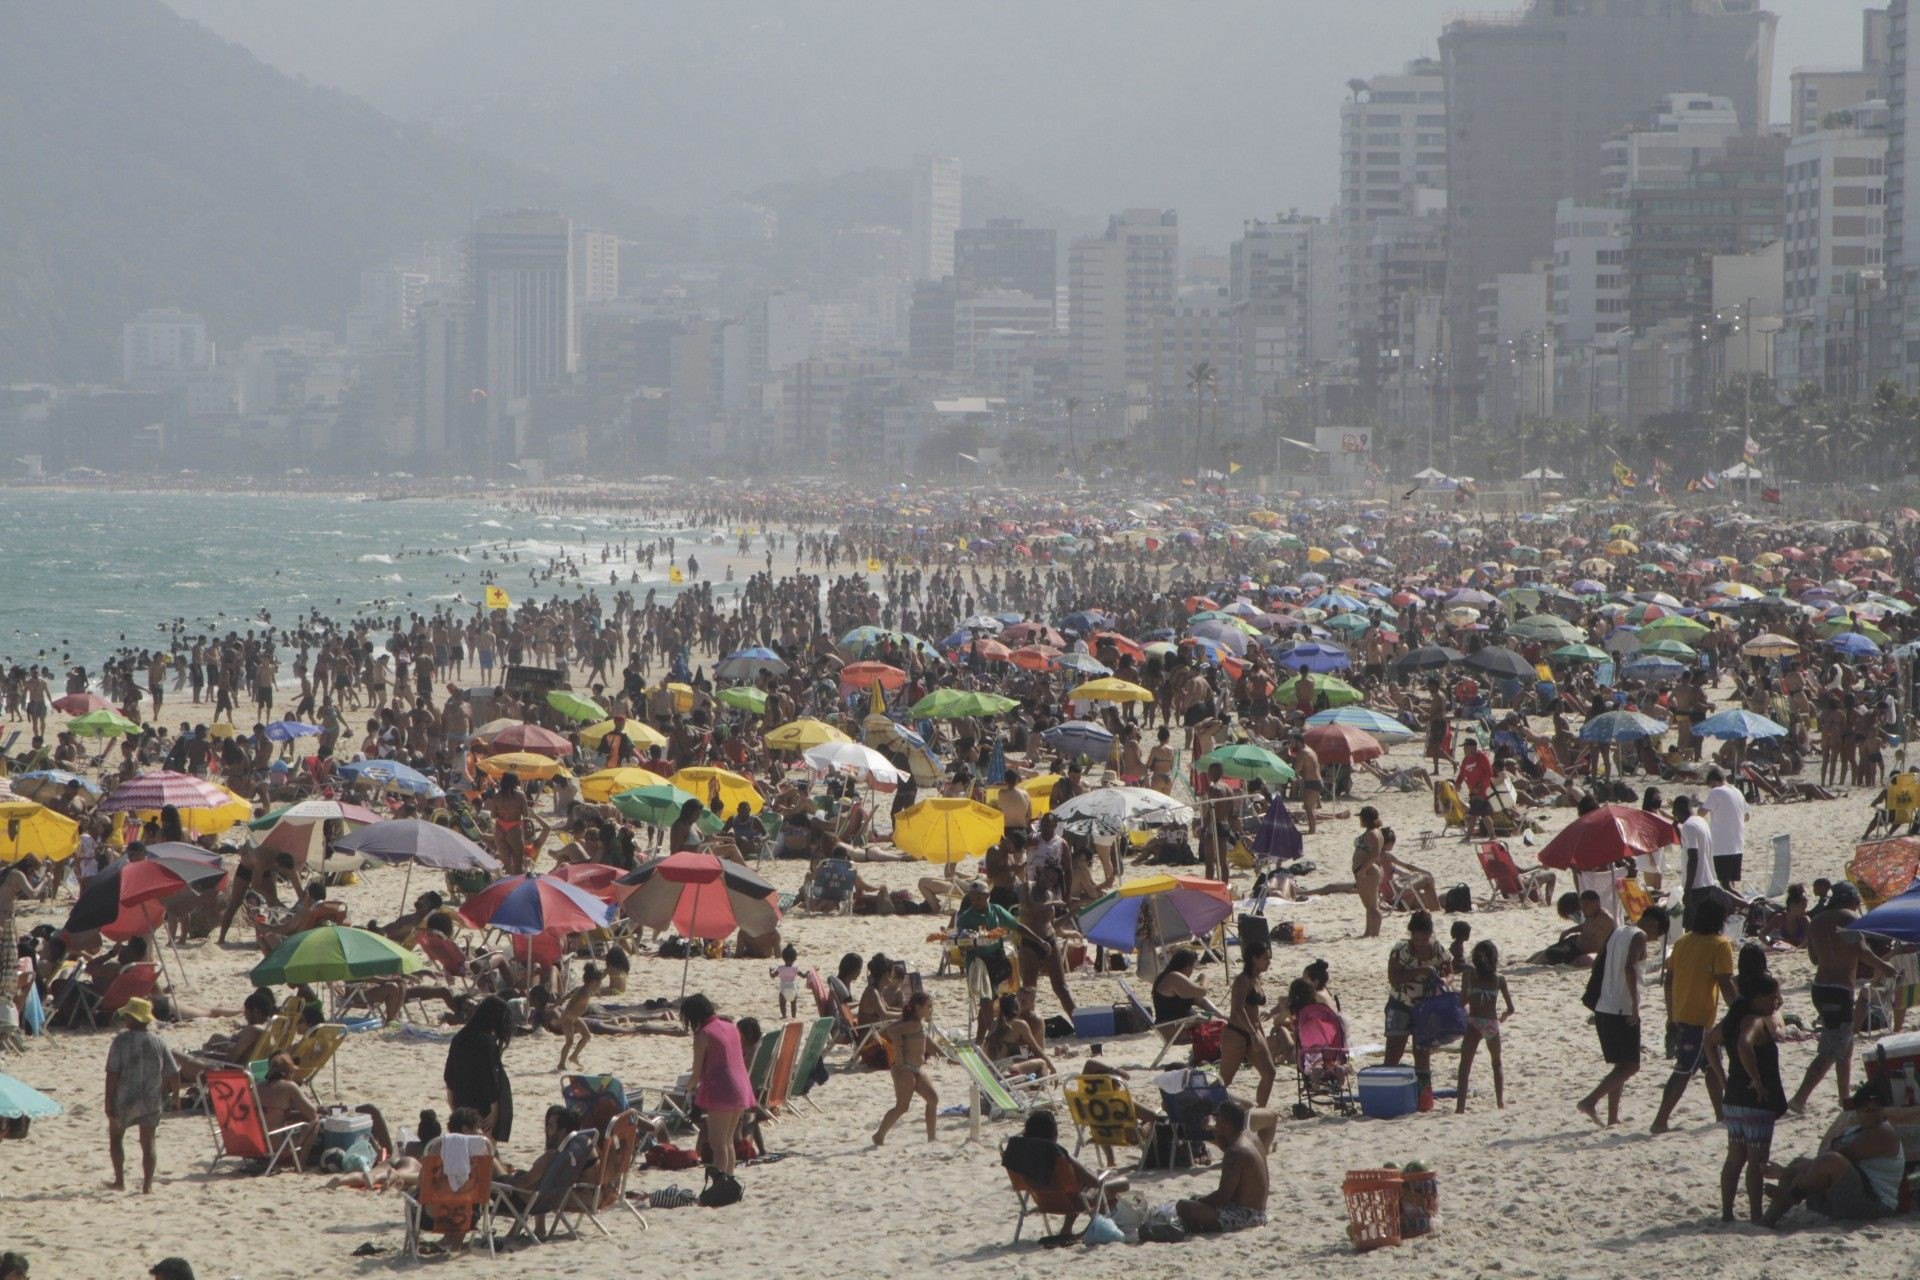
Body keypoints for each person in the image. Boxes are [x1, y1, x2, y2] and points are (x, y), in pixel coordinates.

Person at [1789, 881, 1894, 1113]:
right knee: (1832, 1047)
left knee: (1845, 1043)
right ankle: (1799, 1098)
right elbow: (1862, 951)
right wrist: (1885, 966)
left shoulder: (1816, 921)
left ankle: (1844, 1098)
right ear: (1851, 901)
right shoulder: (1849, 918)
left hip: (1820, 987)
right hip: (1839, 990)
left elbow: (1815, 960)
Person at [1766, 1078, 1906, 1226]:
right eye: (1867, 1110)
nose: (1873, 1115)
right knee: (1800, 1162)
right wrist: (1790, 1171)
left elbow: (1835, 1159)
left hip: (1874, 1204)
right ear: (1858, 1113)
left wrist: (1785, 1171)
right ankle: (1768, 1220)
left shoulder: (1884, 1132)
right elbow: (1822, 1160)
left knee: (1830, 1161)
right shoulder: (1854, 1131)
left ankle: (1790, 1196)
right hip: (1845, 1195)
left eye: (1877, 1109)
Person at [1650, 897, 1736, 1135]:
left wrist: (1671, 1014)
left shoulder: (1683, 942)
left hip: (1684, 1015)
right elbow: (1725, 982)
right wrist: (1739, 1010)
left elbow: (1669, 981)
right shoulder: (1720, 944)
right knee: (1683, 1070)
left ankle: (1722, 1114)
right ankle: (1660, 1121)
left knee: (1712, 1067)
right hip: (1699, 1018)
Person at [1578, 906, 1669, 1128]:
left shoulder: (1618, 931)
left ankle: (1612, 1118)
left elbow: (1600, 963)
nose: (1655, 939)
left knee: (1621, 1065)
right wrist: (1635, 1005)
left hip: (1604, 1005)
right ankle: (1589, 1101)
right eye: (1659, 934)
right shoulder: (1639, 936)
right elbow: (1629, 967)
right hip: (1621, 1007)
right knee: (1631, 1066)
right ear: (1655, 925)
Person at [1000, 1110, 1129, 1244]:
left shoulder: (1019, 1155)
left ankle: (1067, 1229)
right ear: (1054, 1135)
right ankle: (1095, 1227)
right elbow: (1094, 1182)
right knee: (1122, 1182)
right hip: (1073, 1202)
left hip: (1042, 1201)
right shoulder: (1057, 1153)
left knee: (1078, 1186)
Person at [1717, 974, 1787, 1223]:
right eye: (1772, 997)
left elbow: (1709, 1042)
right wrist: (1757, 1080)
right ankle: (1756, 1215)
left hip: (1734, 1097)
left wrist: (1723, 1079)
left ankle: (1727, 1212)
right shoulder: (1754, 1021)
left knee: (1735, 1158)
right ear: (1757, 998)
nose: (1776, 1002)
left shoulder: (1733, 1018)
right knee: (1757, 1160)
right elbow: (1744, 1046)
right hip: (1755, 1102)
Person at [105, 996, 178, 1193]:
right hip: (151, 1099)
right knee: (148, 1143)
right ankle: (147, 1186)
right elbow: (173, 1072)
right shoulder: (158, 1041)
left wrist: (108, 1100)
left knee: (116, 1138)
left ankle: (120, 1181)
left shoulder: (120, 1041)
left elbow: (112, 1073)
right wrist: (176, 1097)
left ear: (132, 1018)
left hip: (125, 1098)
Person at [684, 992, 751, 1196]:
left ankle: (721, 1184)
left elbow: (696, 1072)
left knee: (717, 1142)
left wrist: (686, 1090)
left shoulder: (703, 1034)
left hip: (721, 1090)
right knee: (728, 1140)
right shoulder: (731, 1026)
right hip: (741, 1086)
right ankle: (729, 1182)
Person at [1173, 1100, 1269, 1234]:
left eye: (1217, 1117)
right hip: (1259, 1212)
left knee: (1184, 1206)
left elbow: (1222, 1197)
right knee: (1194, 1200)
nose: (1214, 1119)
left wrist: (1200, 1201)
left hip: (1245, 1216)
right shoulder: (1250, 1137)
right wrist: (1216, 1130)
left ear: (1226, 1122)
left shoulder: (1235, 1152)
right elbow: (1228, 1149)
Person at [872, 991, 939, 1146]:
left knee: (933, 1099)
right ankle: (879, 1135)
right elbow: (891, 1031)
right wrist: (899, 1051)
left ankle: (931, 1138)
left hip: (916, 1068)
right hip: (904, 1070)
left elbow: (929, 1044)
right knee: (902, 1106)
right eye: (928, 1007)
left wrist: (949, 1055)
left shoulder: (918, 1024)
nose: (931, 1010)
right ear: (917, 1007)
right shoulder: (911, 1024)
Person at [443, 995, 513, 1141]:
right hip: (482, 1103)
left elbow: (449, 1073)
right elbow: (489, 1077)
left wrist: (453, 1103)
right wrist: (495, 1111)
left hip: (460, 1097)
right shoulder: (486, 1042)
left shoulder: (459, 1037)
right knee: (485, 1147)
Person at [1456, 940, 1513, 1112]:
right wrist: (1504, 1015)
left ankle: (1460, 1108)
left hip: (1473, 1023)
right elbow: (1511, 1008)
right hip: (1491, 1024)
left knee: (1465, 1066)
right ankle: (1500, 1102)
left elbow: (1462, 1001)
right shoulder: (1499, 980)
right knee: (1497, 1064)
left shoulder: (1469, 976)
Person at [1219, 943, 1276, 1107]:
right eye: (1265, 959)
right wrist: (1252, 1033)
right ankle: (1208, 1110)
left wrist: (1258, 1033)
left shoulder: (1256, 979)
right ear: (1254, 959)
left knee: (1269, 1072)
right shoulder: (1242, 980)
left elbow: (1254, 1011)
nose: (1268, 962)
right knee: (1225, 1080)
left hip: (1254, 1031)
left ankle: (1260, 1110)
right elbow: (1237, 1009)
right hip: (1237, 1033)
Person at [1699, 768, 1750, 890]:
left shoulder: (1716, 792)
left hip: (1722, 846)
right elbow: (1746, 817)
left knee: (1725, 883)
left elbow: (1700, 813)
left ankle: (1740, 904)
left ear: (1713, 782)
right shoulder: (1737, 791)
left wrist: (1702, 804)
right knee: (1731, 882)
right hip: (1737, 844)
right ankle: (1735, 906)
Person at [553, 963, 603, 1072]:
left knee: (586, 1036)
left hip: (574, 1018)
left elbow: (567, 996)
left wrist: (554, 1005)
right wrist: (560, 1020)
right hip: (568, 1018)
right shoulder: (584, 994)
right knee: (569, 1042)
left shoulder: (583, 989)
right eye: (599, 982)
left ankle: (574, 1056)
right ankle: (561, 1064)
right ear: (593, 982)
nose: (600, 985)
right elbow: (570, 1008)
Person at [1351, 807, 1387, 939]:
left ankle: (1375, 934)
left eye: (1361, 817)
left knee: (1372, 906)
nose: (1360, 820)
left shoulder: (1372, 833)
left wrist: (1362, 871)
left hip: (1367, 872)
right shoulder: (1375, 832)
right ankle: (1368, 932)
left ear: (1366, 819)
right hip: (1368, 870)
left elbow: (1374, 854)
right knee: (1369, 905)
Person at [772, 943, 801, 1019]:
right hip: (792, 988)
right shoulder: (795, 968)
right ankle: (793, 1016)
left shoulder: (780, 968)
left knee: (782, 1004)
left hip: (783, 989)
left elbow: (772, 976)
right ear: (795, 958)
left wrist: (770, 971)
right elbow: (803, 975)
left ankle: (784, 1016)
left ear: (783, 958)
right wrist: (808, 973)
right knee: (793, 1004)